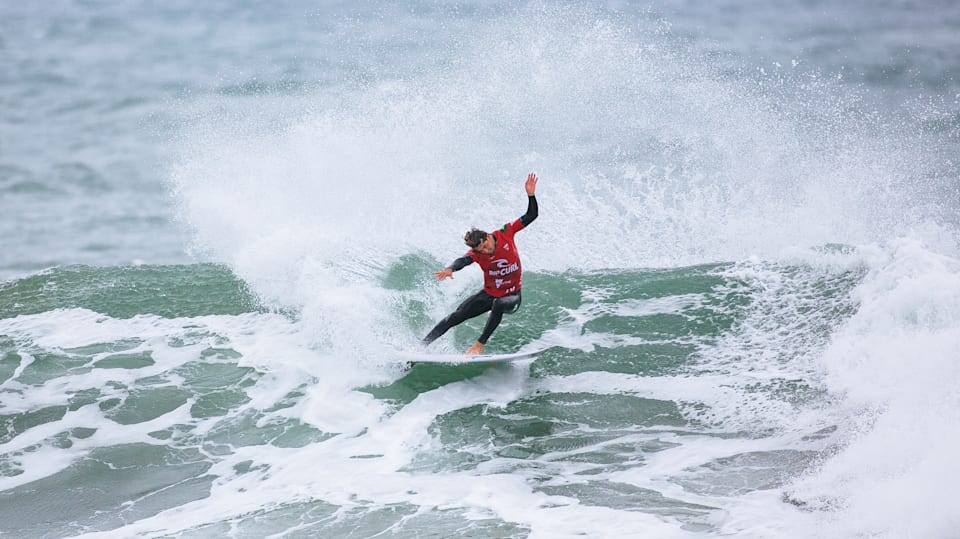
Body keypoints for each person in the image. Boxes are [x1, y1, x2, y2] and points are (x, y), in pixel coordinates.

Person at [422, 172, 539, 356]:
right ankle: (420, 347)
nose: (485, 251)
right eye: (480, 250)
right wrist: (450, 268)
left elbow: (532, 215)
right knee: (455, 316)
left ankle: (479, 345)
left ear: (487, 237)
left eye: (485, 246)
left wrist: (530, 195)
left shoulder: (505, 232)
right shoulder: (476, 253)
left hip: (512, 296)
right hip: (489, 294)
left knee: (499, 303)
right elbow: (464, 260)